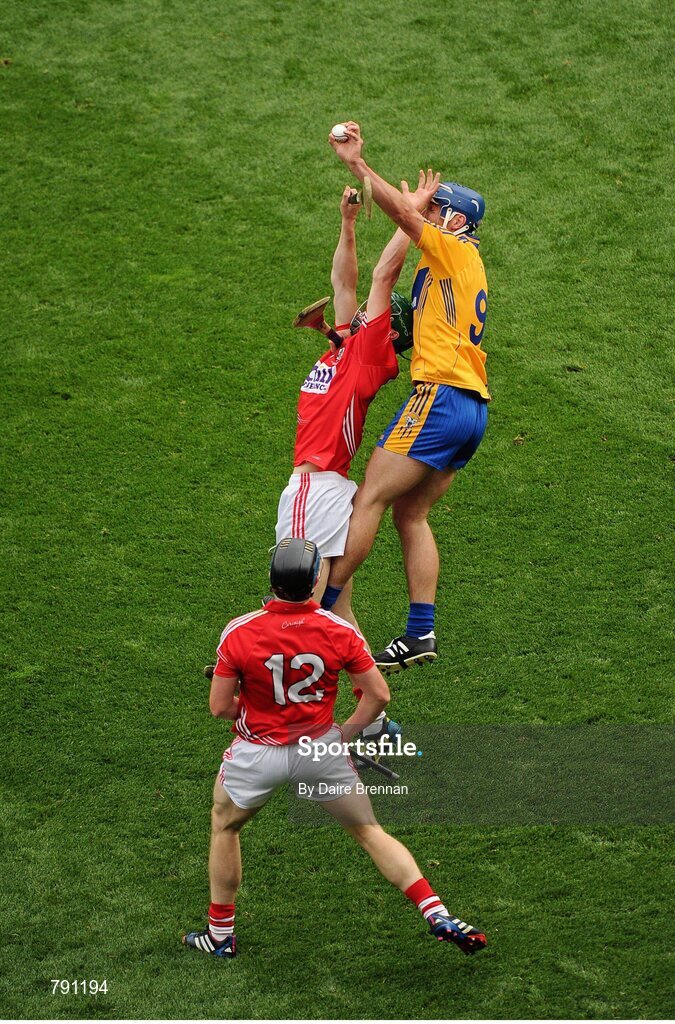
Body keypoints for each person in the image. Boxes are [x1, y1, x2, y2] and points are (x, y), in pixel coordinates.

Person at [183, 538, 487, 958]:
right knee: (368, 832)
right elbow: (377, 695)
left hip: (257, 754)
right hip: (320, 751)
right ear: (313, 582)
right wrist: (343, 735)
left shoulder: (240, 631)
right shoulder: (338, 630)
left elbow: (219, 707)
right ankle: (435, 910)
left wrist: (250, 706)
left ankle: (220, 936)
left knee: (226, 826)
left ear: (272, 579)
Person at [321, 122, 490, 674]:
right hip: (473, 408)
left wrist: (358, 167)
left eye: (438, 208)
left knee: (370, 495)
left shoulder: (452, 250)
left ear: (458, 221)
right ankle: (421, 631)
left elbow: (400, 219)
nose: (429, 213)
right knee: (411, 514)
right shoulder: (450, 270)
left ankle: (319, 610)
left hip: (439, 397)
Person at [275, 175, 437, 633]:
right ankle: (376, 702)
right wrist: (347, 223)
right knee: (337, 612)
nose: (364, 307)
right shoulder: (345, 346)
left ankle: (264, 674)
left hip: (314, 488)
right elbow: (343, 283)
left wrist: (409, 213)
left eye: (375, 311)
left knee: (298, 605)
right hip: (323, 489)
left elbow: (383, 275)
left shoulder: (368, 354)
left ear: (388, 330)